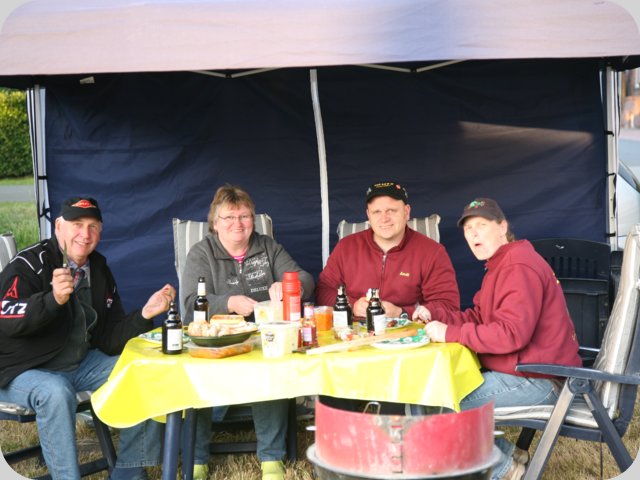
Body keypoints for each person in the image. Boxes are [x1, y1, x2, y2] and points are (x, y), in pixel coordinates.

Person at [0, 196, 175, 480]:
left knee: (143, 370)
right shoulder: (30, 263)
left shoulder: (99, 268)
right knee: (56, 391)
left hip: (78, 364)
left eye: (93, 226)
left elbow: (108, 338)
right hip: (21, 370)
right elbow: (5, 316)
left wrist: (145, 314)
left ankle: (129, 471)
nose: (85, 234)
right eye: (77, 224)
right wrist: (52, 300)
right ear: (58, 226)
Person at [413, 198, 582, 480]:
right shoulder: (501, 264)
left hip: (541, 380)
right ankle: (510, 456)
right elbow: (479, 317)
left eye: (481, 225)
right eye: (468, 229)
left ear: (502, 227)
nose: (473, 234)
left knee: (436, 406)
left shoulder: (518, 266)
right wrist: (436, 314)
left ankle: (504, 470)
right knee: (434, 395)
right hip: (528, 372)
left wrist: (448, 333)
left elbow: (511, 334)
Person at [181, 184, 315, 480]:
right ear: (215, 223)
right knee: (196, 373)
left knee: (271, 365)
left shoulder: (267, 247)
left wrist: (290, 285)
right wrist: (228, 303)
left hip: (263, 335)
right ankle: (197, 459)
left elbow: (305, 279)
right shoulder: (201, 253)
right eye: (229, 217)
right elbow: (189, 304)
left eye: (244, 216)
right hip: (218, 339)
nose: (237, 223)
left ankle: (271, 458)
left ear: (252, 220)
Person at [316, 180, 459, 320]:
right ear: (368, 215)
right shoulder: (346, 247)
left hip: (409, 331)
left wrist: (402, 313)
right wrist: (352, 306)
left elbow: (448, 305)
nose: (384, 219)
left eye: (391, 211)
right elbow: (324, 291)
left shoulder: (432, 252)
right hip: (353, 330)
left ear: (406, 212)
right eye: (376, 212)